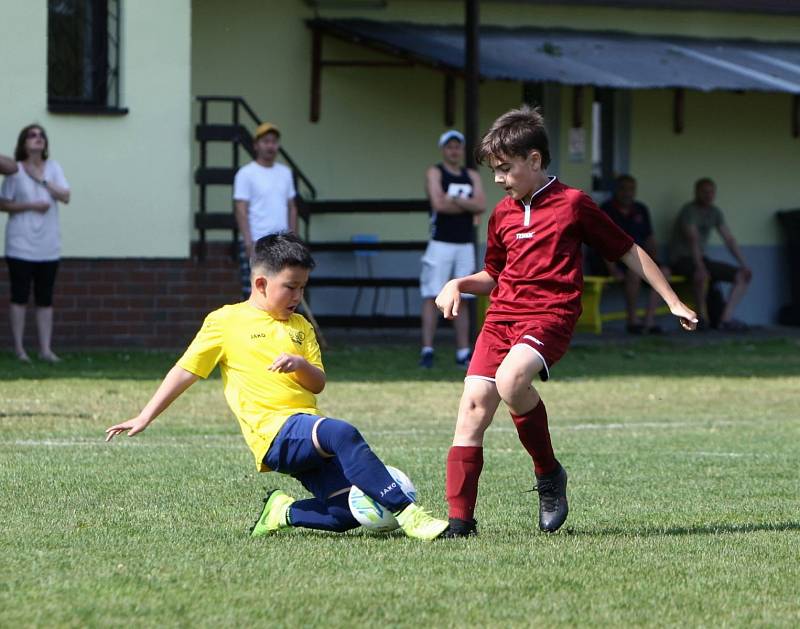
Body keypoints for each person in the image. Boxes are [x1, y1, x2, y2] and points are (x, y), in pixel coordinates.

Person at [435, 106, 697, 538]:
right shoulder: (502, 214)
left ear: (534, 160)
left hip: (549, 315)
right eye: (495, 171)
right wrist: (458, 282)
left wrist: (672, 301)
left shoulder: (573, 204)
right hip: (501, 317)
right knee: (472, 408)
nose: (498, 179)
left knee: (512, 379)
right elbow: (495, 275)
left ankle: (548, 474)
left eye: (505, 169)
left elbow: (628, 250)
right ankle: (461, 523)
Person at [105, 233, 449, 541]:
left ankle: (282, 511)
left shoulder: (301, 326)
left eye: (303, 287)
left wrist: (300, 365)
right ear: (260, 284)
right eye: (290, 286)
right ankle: (410, 515)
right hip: (273, 434)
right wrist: (145, 415)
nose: (297, 295)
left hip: (304, 429)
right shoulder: (226, 321)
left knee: (345, 514)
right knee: (342, 434)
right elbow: (186, 371)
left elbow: (318, 384)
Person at [0, 125, 70, 363]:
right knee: (19, 296)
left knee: (45, 298)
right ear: (23, 142)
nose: (38, 139)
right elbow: (4, 204)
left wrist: (42, 181)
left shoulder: (54, 168)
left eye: (41, 136)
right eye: (32, 135)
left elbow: (66, 196)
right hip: (20, 245)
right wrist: (31, 206)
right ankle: (20, 350)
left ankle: (45, 349)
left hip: (48, 245)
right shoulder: (14, 170)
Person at [419, 130, 486, 368]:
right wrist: (465, 205)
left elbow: (481, 205)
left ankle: (463, 352)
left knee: (464, 297)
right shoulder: (435, 172)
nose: (454, 151)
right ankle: (427, 350)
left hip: (465, 244)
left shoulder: (471, 175)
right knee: (431, 295)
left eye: (458, 147)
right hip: (440, 243)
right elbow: (438, 203)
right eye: (450, 147)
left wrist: (454, 200)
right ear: (443, 150)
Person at [669, 178, 752, 331]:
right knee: (702, 275)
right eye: (704, 191)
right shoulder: (689, 211)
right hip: (682, 259)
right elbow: (692, 240)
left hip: (701, 259)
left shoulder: (715, 212)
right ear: (696, 192)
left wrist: (744, 265)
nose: (708, 195)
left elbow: (729, 239)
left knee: (743, 276)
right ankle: (701, 320)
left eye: (711, 192)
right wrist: (700, 267)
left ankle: (725, 320)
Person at [595, 174, 669, 334]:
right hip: (613, 259)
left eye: (631, 189)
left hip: (638, 257)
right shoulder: (607, 209)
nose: (627, 193)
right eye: (623, 189)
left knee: (663, 272)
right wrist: (612, 269)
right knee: (634, 273)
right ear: (616, 190)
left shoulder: (641, 209)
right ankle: (632, 320)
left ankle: (649, 321)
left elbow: (650, 238)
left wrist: (654, 260)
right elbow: (601, 242)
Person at [233, 122, 298, 299]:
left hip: (281, 243)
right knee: (255, 294)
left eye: (274, 141)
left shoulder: (285, 173)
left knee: (283, 293)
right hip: (257, 243)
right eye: (266, 141)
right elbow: (241, 209)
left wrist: (292, 239)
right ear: (256, 145)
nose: (270, 145)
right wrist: (248, 243)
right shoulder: (246, 174)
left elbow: (292, 207)